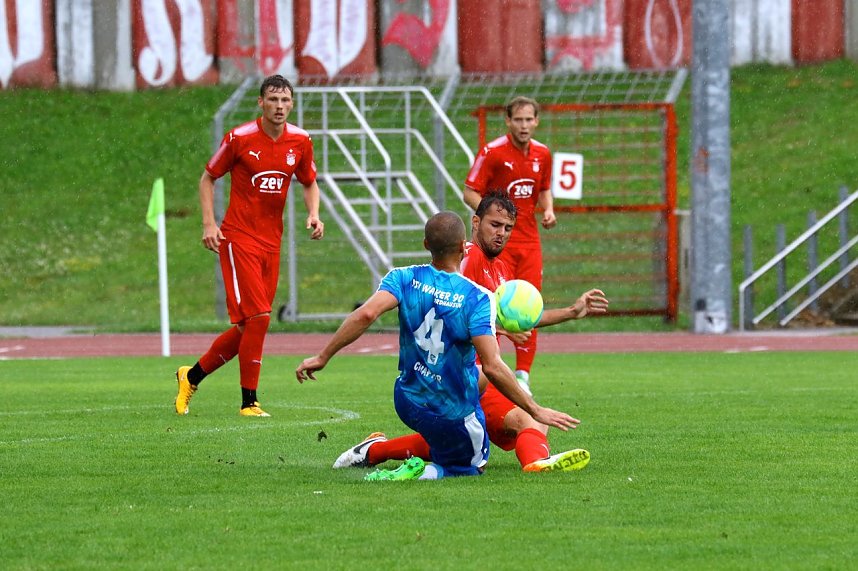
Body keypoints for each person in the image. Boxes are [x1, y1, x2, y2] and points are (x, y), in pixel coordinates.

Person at [333, 192, 608, 473]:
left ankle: (374, 450)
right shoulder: (466, 257)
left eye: (507, 228)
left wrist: (570, 312)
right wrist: (496, 327)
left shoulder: (499, 269)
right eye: (495, 224)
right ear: (475, 222)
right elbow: (447, 303)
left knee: (458, 442)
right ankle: (536, 463)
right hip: (464, 372)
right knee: (528, 420)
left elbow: (517, 317)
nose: (501, 233)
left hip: (479, 374)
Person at [175, 74, 324, 417]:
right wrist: (209, 224)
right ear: (260, 103)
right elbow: (208, 178)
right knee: (259, 317)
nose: (280, 106)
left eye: (285, 100)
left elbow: (309, 182)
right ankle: (249, 402)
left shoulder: (300, 141)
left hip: (272, 242)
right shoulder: (240, 138)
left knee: (249, 326)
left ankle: (191, 376)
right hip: (238, 237)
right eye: (273, 100)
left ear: (292, 104)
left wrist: (314, 214)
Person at [462, 96, 555, 395]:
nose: (524, 125)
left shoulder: (543, 154)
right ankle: (486, 366)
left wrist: (549, 209)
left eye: (529, 119)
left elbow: (544, 189)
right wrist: (495, 220)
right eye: (518, 120)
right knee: (491, 305)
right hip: (500, 246)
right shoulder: (492, 152)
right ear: (508, 121)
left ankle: (523, 376)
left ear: (537, 121)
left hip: (529, 244)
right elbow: (469, 192)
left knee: (529, 306)